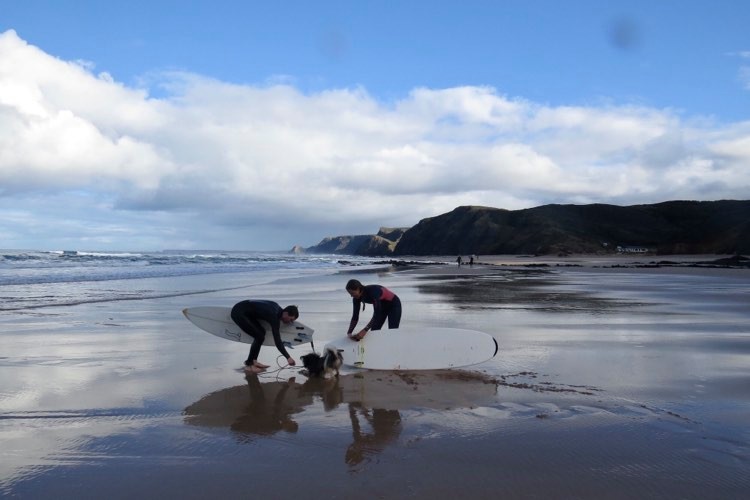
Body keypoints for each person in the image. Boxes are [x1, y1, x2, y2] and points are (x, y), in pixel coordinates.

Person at [230, 300, 299, 373]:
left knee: (261, 332)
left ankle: (254, 361)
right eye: (291, 319)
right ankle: (249, 364)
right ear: (286, 313)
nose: (290, 322)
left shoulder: (277, 307)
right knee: (259, 336)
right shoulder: (274, 316)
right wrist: (288, 357)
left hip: (245, 310)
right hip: (239, 313)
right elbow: (277, 341)